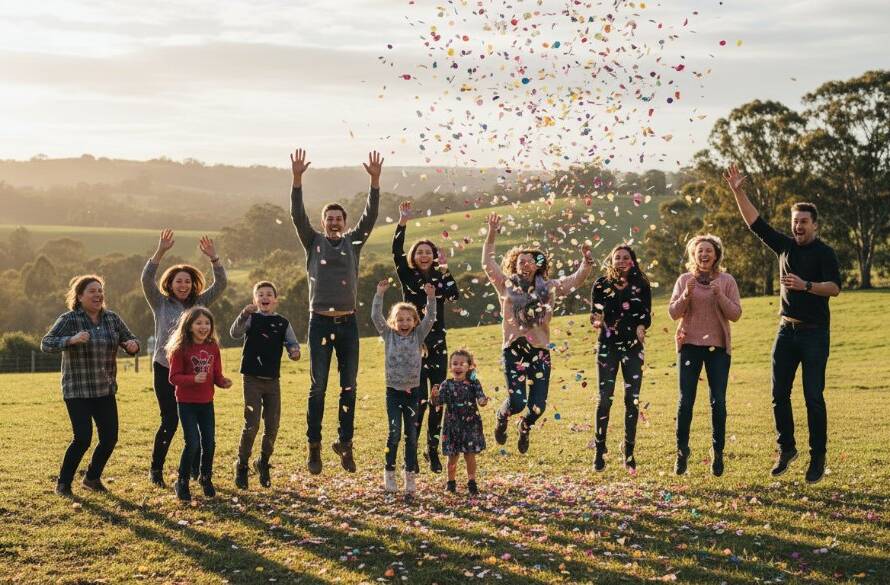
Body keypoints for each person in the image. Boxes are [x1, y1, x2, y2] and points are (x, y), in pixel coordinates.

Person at [724, 164, 841, 483]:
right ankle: (786, 448)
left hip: (815, 334)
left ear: (814, 224)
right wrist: (738, 191)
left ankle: (818, 457)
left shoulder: (824, 253)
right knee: (778, 393)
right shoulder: (785, 246)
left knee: (813, 397)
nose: (798, 226)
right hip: (785, 331)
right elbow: (754, 223)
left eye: (803, 221)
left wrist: (806, 285)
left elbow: (834, 288)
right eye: (795, 222)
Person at [289, 148, 382, 475]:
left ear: (344, 224)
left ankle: (345, 443)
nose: (333, 223)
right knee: (318, 387)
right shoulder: (312, 241)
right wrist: (297, 180)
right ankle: (314, 447)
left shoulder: (353, 243)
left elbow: (369, 217)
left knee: (349, 386)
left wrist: (374, 183)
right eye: (329, 219)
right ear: (323, 222)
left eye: (338, 219)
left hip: (348, 325)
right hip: (319, 325)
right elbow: (297, 215)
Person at [482, 212, 593, 453]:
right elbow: (488, 263)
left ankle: (525, 426)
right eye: (521, 261)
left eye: (530, 261)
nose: (525, 264)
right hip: (514, 349)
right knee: (518, 401)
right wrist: (492, 233)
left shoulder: (550, 287)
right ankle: (502, 417)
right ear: (515, 264)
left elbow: (574, 281)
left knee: (536, 407)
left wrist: (585, 262)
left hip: (540, 351)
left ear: (538, 265)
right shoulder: (506, 285)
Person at [142, 230, 227, 487]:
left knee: (198, 422)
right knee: (170, 419)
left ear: (193, 285)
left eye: (187, 282)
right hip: (165, 368)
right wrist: (160, 252)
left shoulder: (199, 304)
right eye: (179, 281)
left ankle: (193, 470)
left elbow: (221, 284)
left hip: (195, 373)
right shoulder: (160, 302)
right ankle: (156, 469)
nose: (183, 285)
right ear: (170, 283)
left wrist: (214, 259)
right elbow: (146, 279)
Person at [41, 275, 140, 496]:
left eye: (100, 290)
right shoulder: (69, 319)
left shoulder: (112, 319)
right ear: (79, 296)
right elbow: (46, 343)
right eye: (92, 291)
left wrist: (133, 345)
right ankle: (63, 483)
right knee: (82, 438)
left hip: (104, 389)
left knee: (109, 438)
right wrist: (70, 340)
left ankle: (92, 478)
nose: (98, 295)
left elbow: (131, 340)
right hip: (77, 390)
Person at [392, 200, 461, 474]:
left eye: (428, 252)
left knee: (437, 399)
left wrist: (444, 269)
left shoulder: (439, 277)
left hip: (438, 343)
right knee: (417, 401)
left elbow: (454, 295)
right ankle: (412, 452)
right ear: (413, 256)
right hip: (414, 345)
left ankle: (431, 450)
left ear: (434, 256)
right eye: (419, 252)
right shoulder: (407, 276)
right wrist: (402, 221)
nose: (423, 255)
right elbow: (396, 251)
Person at [668, 235, 742, 476]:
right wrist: (686, 295)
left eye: (708, 250)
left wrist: (719, 294)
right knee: (685, 401)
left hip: (718, 350)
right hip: (689, 345)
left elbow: (735, 314)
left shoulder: (727, 280)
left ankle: (717, 452)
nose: (704, 255)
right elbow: (673, 313)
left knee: (718, 402)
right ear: (694, 255)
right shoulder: (684, 280)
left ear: (716, 255)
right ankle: (681, 451)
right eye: (700, 251)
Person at [230, 281, 301, 489]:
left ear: (275, 300)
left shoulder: (283, 323)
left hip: (273, 381)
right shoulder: (251, 319)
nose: (264, 297)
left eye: (269, 294)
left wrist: (294, 351)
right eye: (260, 294)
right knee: (251, 424)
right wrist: (243, 314)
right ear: (255, 300)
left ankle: (263, 461)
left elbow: (292, 343)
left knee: (273, 425)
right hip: (251, 378)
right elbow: (234, 333)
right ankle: (242, 465)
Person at [371, 280, 437, 496]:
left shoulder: (418, 335)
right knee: (394, 433)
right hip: (393, 392)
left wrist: (431, 298)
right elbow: (375, 317)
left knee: (410, 435)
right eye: (400, 319)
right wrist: (380, 294)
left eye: (408, 319)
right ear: (394, 322)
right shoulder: (389, 335)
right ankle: (389, 474)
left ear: (414, 321)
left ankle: (410, 477)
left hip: (413, 393)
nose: (404, 322)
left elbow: (431, 318)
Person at [590, 245, 652, 474]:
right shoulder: (601, 283)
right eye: (617, 257)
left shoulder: (641, 284)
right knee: (604, 399)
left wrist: (642, 326)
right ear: (611, 260)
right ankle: (599, 449)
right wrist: (596, 319)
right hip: (607, 347)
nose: (621, 261)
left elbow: (646, 314)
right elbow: (594, 313)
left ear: (632, 261)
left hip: (633, 348)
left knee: (631, 400)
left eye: (626, 257)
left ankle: (629, 451)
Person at [166, 307, 233, 501]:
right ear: (189, 326)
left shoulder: (213, 347)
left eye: (207, 323)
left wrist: (223, 382)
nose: (203, 327)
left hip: (206, 402)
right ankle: (182, 482)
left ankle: (205, 477)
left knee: (209, 443)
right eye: (198, 323)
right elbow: (173, 377)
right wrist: (193, 379)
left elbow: (216, 374)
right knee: (192, 443)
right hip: (186, 403)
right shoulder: (180, 348)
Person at [430, 349, 488, 495]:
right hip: (452, 425)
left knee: (470, 456)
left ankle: (472, 481)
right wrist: (434, 397)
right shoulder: (446, 384)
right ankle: (451, 482)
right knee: (452, 458)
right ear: (450, 367)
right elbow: (438, 403)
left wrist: (483, 401)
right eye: (455, 364)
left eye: (462, 364)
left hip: (470, 425)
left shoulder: (474, 383)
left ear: (469, 366)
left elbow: (481, 400)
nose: (458, 367)